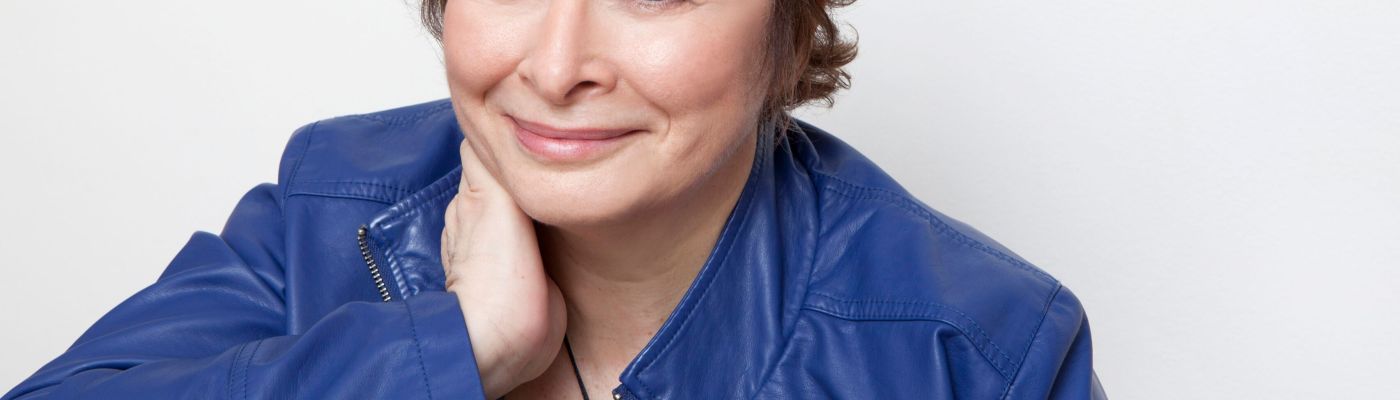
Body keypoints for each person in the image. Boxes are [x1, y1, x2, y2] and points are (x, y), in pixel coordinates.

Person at [3, 0, 1106, 399]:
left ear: (786, 25)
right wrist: (456, 349)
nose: (558, 62)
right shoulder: (327, 209)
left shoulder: (980, 350)